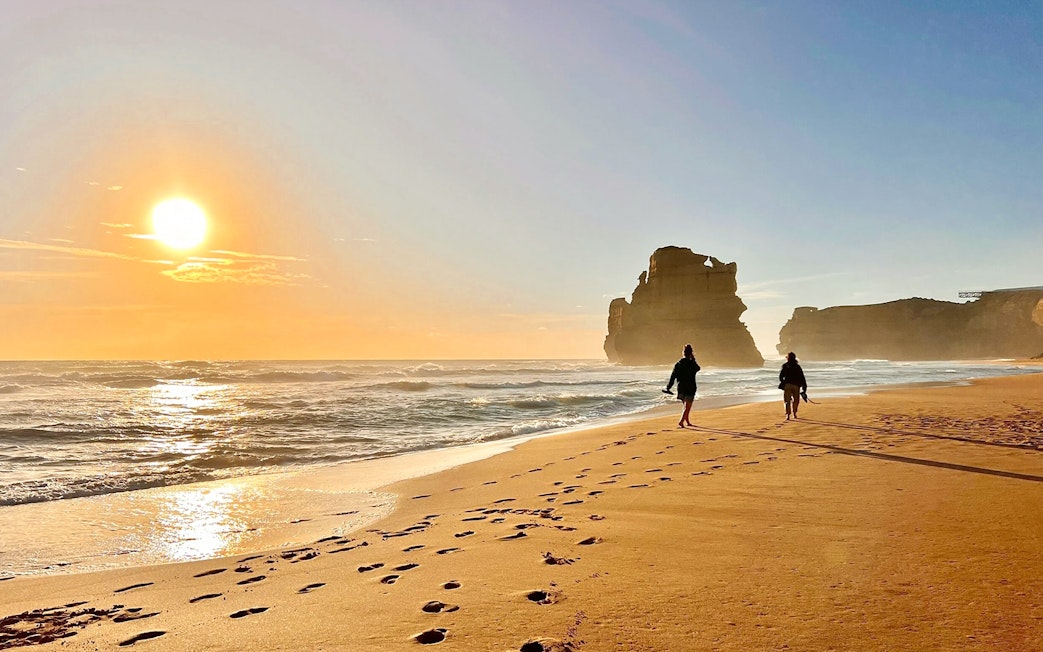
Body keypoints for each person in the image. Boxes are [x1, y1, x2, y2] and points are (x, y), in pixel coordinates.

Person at [665, 343, 700, 427]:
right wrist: (693, 359)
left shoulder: (678, 364)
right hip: (690, 387)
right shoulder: (692, 364)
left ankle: (687, 422)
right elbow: (698, 368)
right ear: (690, 353)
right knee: (687, 407)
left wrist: (668, 387)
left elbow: (672, 377)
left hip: (681, 387)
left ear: (683, 353)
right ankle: (681, 421)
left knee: (685, 405)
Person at [779, 351, 807, 420]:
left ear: (788, 358)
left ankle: (788, 415)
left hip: (787, 385)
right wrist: (804, 387)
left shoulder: (785, 365)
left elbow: (781, 376)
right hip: (796, 385)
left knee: (787, 400)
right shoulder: (797, 367)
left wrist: (783, 383)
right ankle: (794, 413)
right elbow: (802, 377)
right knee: (796, 400)